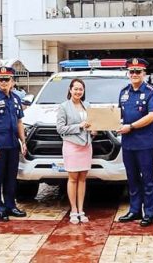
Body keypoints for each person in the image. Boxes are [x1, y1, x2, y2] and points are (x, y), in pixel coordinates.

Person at [117, 58, 153, 227]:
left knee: (148, 179)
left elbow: (152, 115)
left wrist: (131, 126)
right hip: (128, 143)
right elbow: (118, 114)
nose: (134, 74)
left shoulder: (152, 91)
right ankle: (135, 210)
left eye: (138, 71)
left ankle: (149, 213)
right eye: (132, 71)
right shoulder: (123, 92)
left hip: (145, 143)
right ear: (128, 74)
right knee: (132, 179)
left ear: (144, 74)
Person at [0, 67, 28, 222]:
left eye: (6, 79)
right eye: (0, 79)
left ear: (12, 81)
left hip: (13, 145)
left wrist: (23, 141)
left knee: (11, 177)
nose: (3, 82)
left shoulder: (15, 98)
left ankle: (10, 205)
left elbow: (19, 121)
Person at [56, 78, 96, 224]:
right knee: (73, 178)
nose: (78, 91)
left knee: (83, 179)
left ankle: (81, 210)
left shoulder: (87, 105)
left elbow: (92, 125)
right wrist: (79, 126)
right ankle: (73, 210)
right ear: (70, 89)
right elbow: (60, 128)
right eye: (76, 88)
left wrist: (94, 130)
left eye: (81, 89)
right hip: (72, 146)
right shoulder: (64, 107)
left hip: (86, 145)